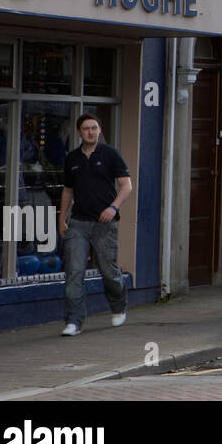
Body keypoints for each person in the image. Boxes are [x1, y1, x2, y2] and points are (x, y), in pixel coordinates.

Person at [60, 114, 132, 337]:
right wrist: (62, 217)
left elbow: (126, 185)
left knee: (108, 271)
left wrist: (113, 208)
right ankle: (74, 321)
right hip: (78, 222)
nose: (90, 132)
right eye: (85, 128)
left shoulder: (110, 154)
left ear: (99, 130)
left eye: (94, 128)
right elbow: (68, 190)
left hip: (104, 224)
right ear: (79, 132)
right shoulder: (72, 158)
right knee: (74, 272)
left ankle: (119, 305)